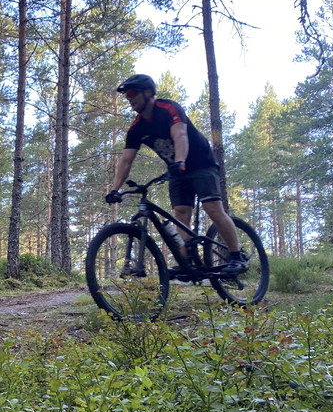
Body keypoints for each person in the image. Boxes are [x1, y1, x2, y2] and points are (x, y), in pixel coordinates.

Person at [104, 73, 248, 276]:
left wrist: (180, 160)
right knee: (180, 214)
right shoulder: (137, 128)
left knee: (212, 208)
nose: (130, 98)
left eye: (133, 92)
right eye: (127, 95)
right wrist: (114, 189)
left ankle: (236, 256)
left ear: (148, 93)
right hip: (177, 171)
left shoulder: (168, 109)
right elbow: (126, 160)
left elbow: (180, 135)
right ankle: (186, 263)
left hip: (201, 164)